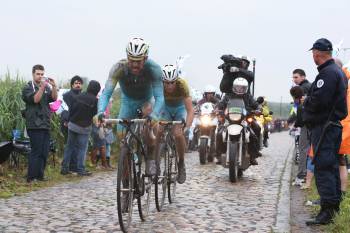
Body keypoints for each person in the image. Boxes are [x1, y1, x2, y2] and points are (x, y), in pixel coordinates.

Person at [98, 37, 164, 175]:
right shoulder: (118, 68)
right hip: (127, 102)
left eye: (138, 61)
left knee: (149, 132)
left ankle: (151, 160)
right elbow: (106, 94)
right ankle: (128, 172)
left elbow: (159, 96)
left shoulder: (154, 69)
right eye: (131, 60)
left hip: (147, 102)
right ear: (127, 57)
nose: (134, 64)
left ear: (145, 58)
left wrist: (155, 114)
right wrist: (100, 112)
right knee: (123, 139)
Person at [304, 38, 347, 225]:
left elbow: (318, 102)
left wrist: (306, 105)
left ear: (316, 54)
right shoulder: (336, 71)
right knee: (330, 166)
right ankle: (333, 207)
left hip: (325, 126)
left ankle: (327, 212)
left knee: (323, 168)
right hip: (331, 125)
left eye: (313, 54)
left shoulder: (327, 74)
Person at [157, 64, 194, 183]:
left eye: (172, 82)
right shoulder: (158, 85)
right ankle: (155, 161)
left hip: (180, 109)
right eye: (166, 83)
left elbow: (190, 110)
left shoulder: (182, 85)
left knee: (178, 134)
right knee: (158, 130)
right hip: (165, 108)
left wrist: (187, 127)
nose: (169, 86)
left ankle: (181, 163)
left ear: (176, 80)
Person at [22, 64, 58, 183]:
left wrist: (53, 86)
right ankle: (31, 177)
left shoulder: (47, 87)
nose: (40, 76)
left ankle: (40, 175)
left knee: (44, 151)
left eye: (42, 74)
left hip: (45, 123)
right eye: (38, 74)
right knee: (36, 151)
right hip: (33, 124)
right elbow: (35, 100)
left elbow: (53, 98)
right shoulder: (28, 88)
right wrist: (42, 87)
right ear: (33, 74)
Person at [61, 80, 101, 176]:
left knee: (69, 147)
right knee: (82, 148)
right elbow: (94, 114)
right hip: (84, 127)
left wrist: (69, 120)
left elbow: (71, 109)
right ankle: (80, 169)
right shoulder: (95, 101)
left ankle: (64, 168)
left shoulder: (79, 96)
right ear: (97, 90)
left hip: (72, 125)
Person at [291, 69, 312, 185]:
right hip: (312, 122)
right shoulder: (310, 86)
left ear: (303, 77)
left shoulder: (302, 89)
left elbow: (301, 109)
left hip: (306, 123)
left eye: (296, 77)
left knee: (303, 149)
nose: (294, 79)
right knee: (310, 150)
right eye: (293, 77)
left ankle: (302, 176)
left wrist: (298, 123)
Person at [60, 75, 83, 173]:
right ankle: (69, 167)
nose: (78, 85)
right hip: (68, 123)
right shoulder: (67, 95)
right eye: (76, 83)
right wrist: (67, 120)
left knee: (76, 145)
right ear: (72, 85)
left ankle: (73, 166)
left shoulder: (81, 95)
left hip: (78, 124)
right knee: (71, 145)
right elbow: (65, 109)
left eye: (79, 83)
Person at [335, 58, 349, 199]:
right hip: (343, 127)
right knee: (341, 161)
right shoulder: (345, 81)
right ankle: (341, 192)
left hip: (340, 128)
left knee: (338, 161)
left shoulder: (340, 82)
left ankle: (339, 193)